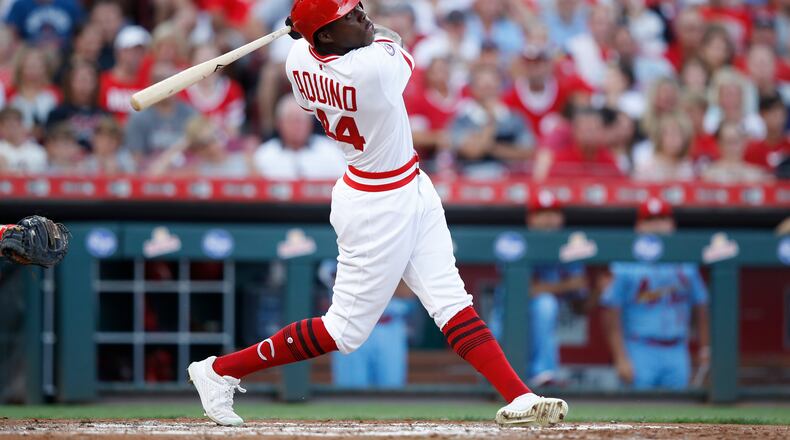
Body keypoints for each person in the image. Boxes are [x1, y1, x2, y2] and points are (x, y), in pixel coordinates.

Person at [186, 0, 567, 428]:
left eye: (359, 8)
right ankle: (220, 371)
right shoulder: (375, 69)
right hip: (375, 205)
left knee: (451, 302)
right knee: (342, 331)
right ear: (326, 36)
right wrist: (314, 27)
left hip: (409, 185)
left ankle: (519, 395)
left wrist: (311, 30)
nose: (362, 16)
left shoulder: (296, 60)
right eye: (348, 16)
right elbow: (395, 39)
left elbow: (329, 45)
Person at [601, 197, 710, 390]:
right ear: (639, 226)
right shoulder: (626, 263)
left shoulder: (686, 263)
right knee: (637, 414)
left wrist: (704, 349)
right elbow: (611, 312)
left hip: (677, 348)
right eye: (650, 220)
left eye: (662, 219)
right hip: (640, 347)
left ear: (672, 224)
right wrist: (620, 357)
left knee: (679, 415)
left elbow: (701, 305)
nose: (657, 226)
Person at [319, 261, 415, 389]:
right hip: (351, 325)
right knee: (349, 392)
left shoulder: (402, 243)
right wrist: (388, 279)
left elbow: (407, 290)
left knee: (392, 393)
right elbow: (341, 281)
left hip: (389, 326)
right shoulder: (343, 242)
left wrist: (366, 279)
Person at [450, 65, 535, 179]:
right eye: (482, 84)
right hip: (470, 181)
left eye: (491, 84)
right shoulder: (461, 119)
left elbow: (527, 152)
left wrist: (488, 146)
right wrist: (491, 122)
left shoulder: (515, 118)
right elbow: (472, 152)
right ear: (472, 88)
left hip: (510, 181)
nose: (488, 88)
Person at [253, 97, 346, 180]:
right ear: (279, 124)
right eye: (291, 120)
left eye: (301, 120)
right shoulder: (264, 155)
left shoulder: (330, 151)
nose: (297, 126)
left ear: (310, 123)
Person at [46, 60, 106, 150]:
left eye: (89, 80)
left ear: (96, 84)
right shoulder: (57, 115)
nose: (84, 85)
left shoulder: (105, 116)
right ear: (69, 82)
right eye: (80, 80)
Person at [98, 25, 151, 123]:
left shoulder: (148, 83)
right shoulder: (103, 82)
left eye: (141, 51)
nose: (136, 56)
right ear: (119, 52)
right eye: (132, 51)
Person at [702, 121, 772, 184]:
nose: (732, 147)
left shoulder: (758, 175)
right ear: (719, 144)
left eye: (736, 141)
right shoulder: (708, 175)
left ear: (744, 143)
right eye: (728, 142)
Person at [0, 107, 47, 174]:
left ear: (23, 125)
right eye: (7, 125)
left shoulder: (37, 151)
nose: (12, 130)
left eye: (15, 125)